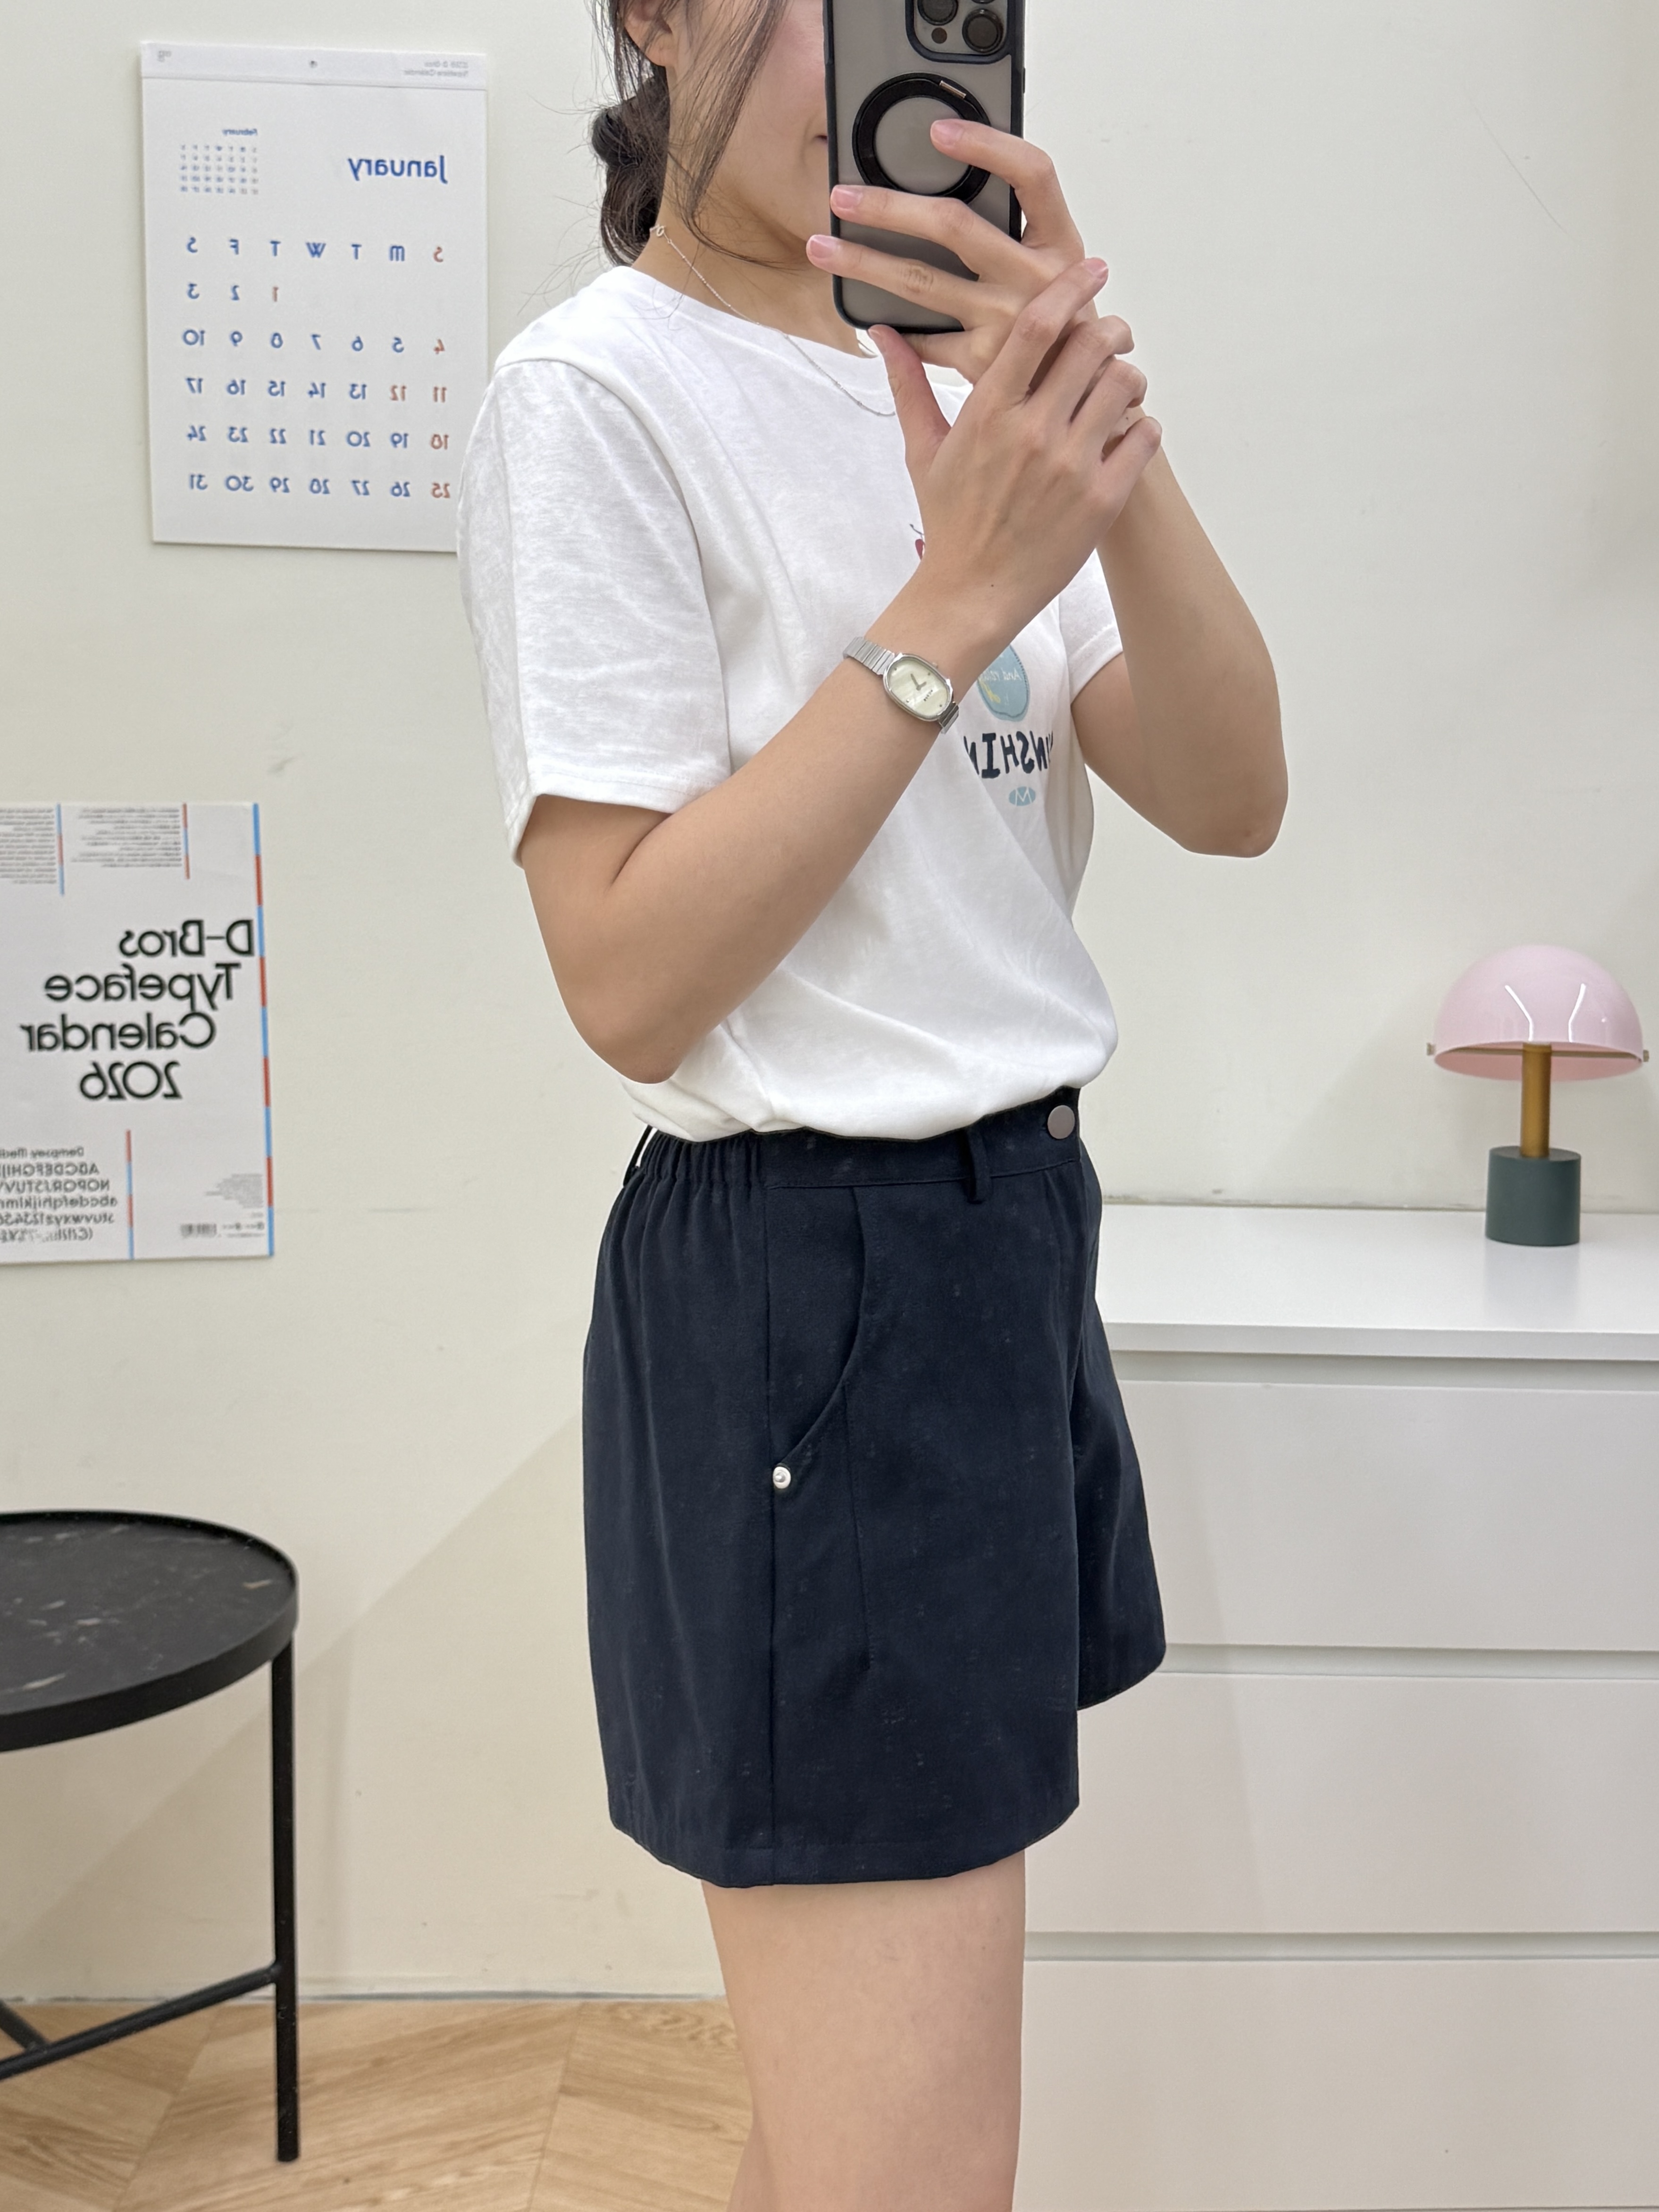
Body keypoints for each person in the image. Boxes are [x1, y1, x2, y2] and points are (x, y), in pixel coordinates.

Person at [458, 1, 1284, 2204]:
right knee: (910, 2166)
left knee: (852, 2130)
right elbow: (627, 973)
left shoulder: (946, 401)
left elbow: (1231, 790)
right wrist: (958, 593)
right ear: (652, 16)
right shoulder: (598, 394)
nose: (861, 46)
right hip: (810, 1288)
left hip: (1007, 1244)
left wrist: (1094, 433)